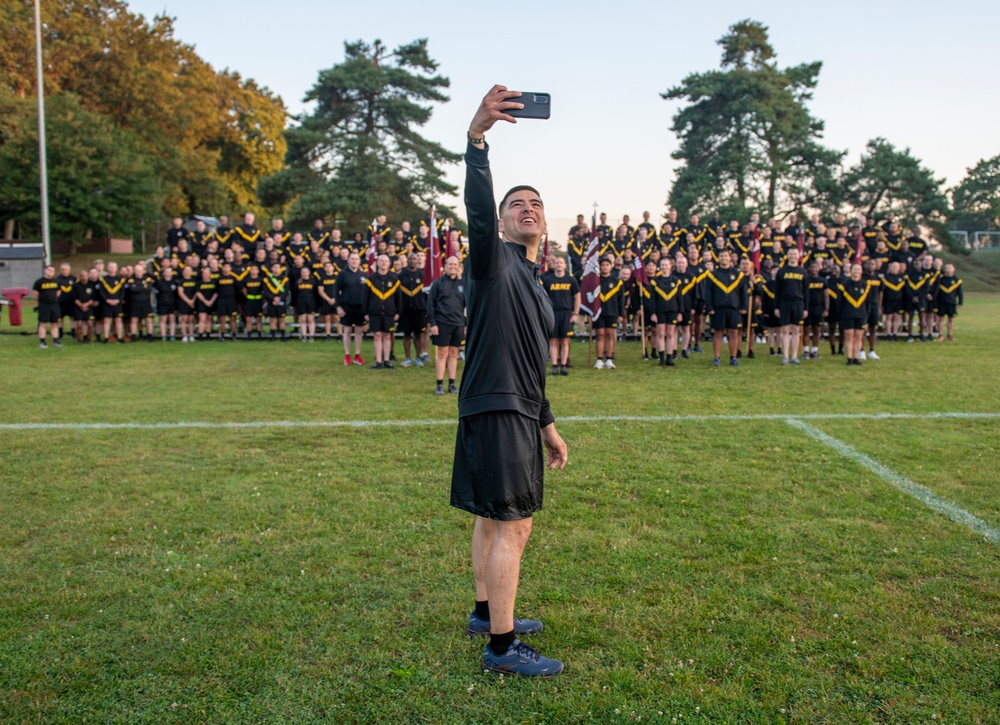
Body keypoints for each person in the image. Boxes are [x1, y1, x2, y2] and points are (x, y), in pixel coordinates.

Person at [454, 86, 568, 678]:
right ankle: (501, 648)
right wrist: (477, 142)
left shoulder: (533, 278)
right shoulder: (494, 260)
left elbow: (531, 358)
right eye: (517, 203)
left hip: (511, 405)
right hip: (498, 407)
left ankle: (484, 612)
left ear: (545, 223)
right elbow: (476, 210)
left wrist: (547, 422)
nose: (528, 208)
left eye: (537, 204)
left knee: (491, 516)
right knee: (514, 524)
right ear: (500, 222)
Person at [427, 256, 466, 393]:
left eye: (455, 264)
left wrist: (465, 324)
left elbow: (467, 306)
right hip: (442, 323)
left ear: (459, 267)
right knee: (442, 353)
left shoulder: (463, 284)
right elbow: (430, 304)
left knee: (454, 353)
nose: (453, 267)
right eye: (450, 264)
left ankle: (451, 384)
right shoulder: (438, 283)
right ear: (445, 266)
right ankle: (439, 384)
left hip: (458, 324)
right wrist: (433, 323)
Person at [705, 249, 747, 366]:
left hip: (734, 308)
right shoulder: (713, 275)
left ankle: (733, 358)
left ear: (730, 258)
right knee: (718, 333)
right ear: (718, 258)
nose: (724, 258)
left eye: (726, 256)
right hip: (718, 308)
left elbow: (743, 292)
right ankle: (716, 358)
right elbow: (708, 292)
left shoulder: (738, 275)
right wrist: (709, 307)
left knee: (733, 332)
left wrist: (744, 306)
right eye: (721, 256)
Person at [541, 256, 579, 375]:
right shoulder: (548, 280)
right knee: (553, 340)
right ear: (554, 265)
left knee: (565, 341)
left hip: (566, 313)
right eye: (557, 263)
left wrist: (576, 313)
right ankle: (554, 365)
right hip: (552, 313)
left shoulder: (571, 279)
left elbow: (577, 297)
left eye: (561, 263)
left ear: (565, 265)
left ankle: (563, 365)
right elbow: (542, 298)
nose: (558, 265)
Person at [363, 253, 401, 368]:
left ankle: (387, 360)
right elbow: (365, 297)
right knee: (377, 335)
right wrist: (365, 312)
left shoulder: (394, 279)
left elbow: (398, 297)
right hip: (375, 312)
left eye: (386, 261)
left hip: (389, 312)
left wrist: (398, 312)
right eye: (381, 261)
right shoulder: (371, 279)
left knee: (387, 335)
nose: (383, 263)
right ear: (377, 263)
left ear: (389, 264)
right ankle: (378, 361)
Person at [774, 246, 807, 365]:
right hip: (784, 302)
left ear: (798, 256)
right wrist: (776, 307)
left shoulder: (803, 272)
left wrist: (806, 308)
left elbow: (806, 291)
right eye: (791, 254)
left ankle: (794, 356)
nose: (793, 256)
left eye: (795, 254)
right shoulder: (781, 271)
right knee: (785, 330)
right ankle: (785, 356)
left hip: (798, 303)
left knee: (796, 330)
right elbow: (777, 291)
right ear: (787, 255)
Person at [334, 251, 366, 365]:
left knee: (359, 331)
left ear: (359, 261)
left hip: (360, 307)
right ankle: (347, 355)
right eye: (352, 259)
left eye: (356, 259)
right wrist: (338, 307)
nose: (354, 261)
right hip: (346, 306)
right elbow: (336, 291)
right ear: (348, 260)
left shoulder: (363, 275)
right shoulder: (342, 274)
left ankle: (357, 355)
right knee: (347, 331)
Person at [398, 253, 428, 367]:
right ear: (407, 260)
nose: (412, 260)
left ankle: (418, 357)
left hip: (419, 309)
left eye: (414, 258)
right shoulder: (400, 276)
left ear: (417, 260)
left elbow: (427, 294)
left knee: (418, 334)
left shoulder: (423, 275)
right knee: (406, 334)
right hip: (405, 310)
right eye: (410, 258)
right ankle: (407, 357)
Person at [651, 257, 682, 366]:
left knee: (670, 334)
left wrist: (680, 312)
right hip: (660, 311)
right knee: (661, 334)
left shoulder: (676, 281)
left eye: (666, 265)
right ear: (660, 267)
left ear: (670, 266)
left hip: (673, 311)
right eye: (662, 265)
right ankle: (661, 358)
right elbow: (652, 298)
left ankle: (669, 357)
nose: (664, 267)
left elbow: (680, 298)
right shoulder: (655, 281)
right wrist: (653, 313)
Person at [593, 257, 624, 368]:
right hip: (598, 312)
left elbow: (621, 299)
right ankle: (600, 359)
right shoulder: (595, 281)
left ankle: (609, 359)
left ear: (611, 266)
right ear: (600, 267)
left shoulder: (617, 282)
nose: (605, 267)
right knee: (600, 335)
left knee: (610, 335)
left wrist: (621, 314)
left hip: (612, 311)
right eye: (603, 265)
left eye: (607, 265)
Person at [837, 263, 870, 365]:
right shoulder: (844, 285)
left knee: (859, 336)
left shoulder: (865, 285)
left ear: (861, 271)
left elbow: (868, 302)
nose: (856, 271)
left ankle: (856, 357)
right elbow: (839, 302)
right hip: (847, 313)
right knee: (849, 335)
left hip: (861, 314)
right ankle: (849, 358)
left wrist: (866, 316)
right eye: (854, 269)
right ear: (851, 271)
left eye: (858, 269)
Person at [32, 265, 62, 348]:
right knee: (43, 323)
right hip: (44, 305)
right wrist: (42, 301)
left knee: (54, 323)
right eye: (49, 270)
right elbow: (35, 294)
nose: (51, 272)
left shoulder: (56, 281)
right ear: (45, 271)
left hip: (54, 305)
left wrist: (54, 298)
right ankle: (42, 341)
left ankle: (56, 340)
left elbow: (59, 291)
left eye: (53, 270)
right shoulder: (39, 282)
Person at [98, 261, 127, 343]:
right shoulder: (103, 279)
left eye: (114, 267)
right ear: (108, 268)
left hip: (117, 303)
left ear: (116, 268)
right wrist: (107, 300)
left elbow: (122, 292)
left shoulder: (120, 280)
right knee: (106, 320)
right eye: (110, 267)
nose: (112, 269)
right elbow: (101, 291)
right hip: (107, 303)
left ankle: (119, 337)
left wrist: (118, 300)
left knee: (118, 320)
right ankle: (106, 337)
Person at [127, 261, 156, 341]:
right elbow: (132, 289)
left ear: (143, 271)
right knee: (134, 319)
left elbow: (149, 289)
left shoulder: (147, 279)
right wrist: (142, 287)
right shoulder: (131, 279)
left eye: (140, 270)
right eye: (137, 271)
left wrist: (138, 287)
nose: (138, 272)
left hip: (146, 301)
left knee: (148, 319)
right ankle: (133, 335)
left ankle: (149, 335)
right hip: (135, 302)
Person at [934, 263, 963, 341]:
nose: (948, 270)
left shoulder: (957, 281)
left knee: (951, 319)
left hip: (952, 302)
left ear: (953, 269)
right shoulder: (940, 280)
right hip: (941, 302)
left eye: (950, 268)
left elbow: (960, 293)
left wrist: (960, 302)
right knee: (940, 319)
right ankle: (940, 335)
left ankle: (949, 335)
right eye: (946, 268)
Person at [153, 266, 178, 341]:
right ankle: (163, 336)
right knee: (163, 320)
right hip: (162, 303)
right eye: (166, 272)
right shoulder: (159, 282)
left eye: (170, 272)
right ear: (164, 273)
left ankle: (172, 335)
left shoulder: (175, 282)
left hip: (172, 303)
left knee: (172, 319)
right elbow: (157, 294)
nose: (168, 273)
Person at [195, 267, 218, 341]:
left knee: (209, 319)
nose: (205, 275)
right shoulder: (199, 283)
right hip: (202, 303)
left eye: (207, 273)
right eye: (204, 273)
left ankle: (208, 334)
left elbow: (216, 293)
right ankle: (200, 335)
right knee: (202, 319)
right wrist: (205, 301)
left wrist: (211, 301)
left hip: (211, 303)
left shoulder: (214, 283)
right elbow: (198, 293)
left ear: (210, 274)